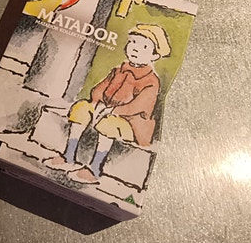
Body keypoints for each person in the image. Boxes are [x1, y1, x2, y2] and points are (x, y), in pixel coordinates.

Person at [43, 24, 170, 184]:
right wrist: (97, 103)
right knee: (81, 108)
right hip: (105, 110)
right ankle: (68, 156)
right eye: (132, 42)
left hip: (130, 123)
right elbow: (99, 89)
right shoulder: (119, 69)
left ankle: (95, 169)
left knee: (109, 124)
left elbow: (138, 107)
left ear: (154, 55)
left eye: (144, 46)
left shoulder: (151, 80)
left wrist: (113, 110)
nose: (135, 48)